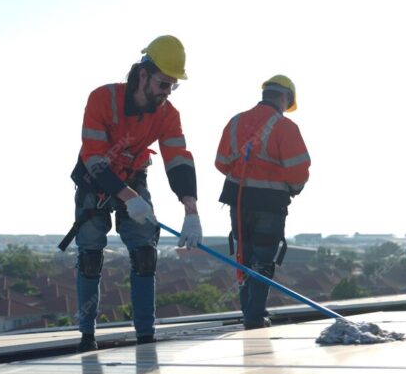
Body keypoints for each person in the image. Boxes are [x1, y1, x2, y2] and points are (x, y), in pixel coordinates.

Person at [64, 35, 203, 352]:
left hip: (134, 176)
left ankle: (145, 335)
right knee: (89, 255)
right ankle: (87, 337)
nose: (167, 93)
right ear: (143, 74)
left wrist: (191, 210)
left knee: (144, 253)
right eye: (164, 84)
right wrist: (128, 198)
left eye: (173, 87)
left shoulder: (167, 114)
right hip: (94, 179)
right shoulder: (103, 99)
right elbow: (95, 158)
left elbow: (178, 159)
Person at [215, 75, 311, 329]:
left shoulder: (236, 122)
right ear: (285, 98)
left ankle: (249, 312)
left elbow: (221, 163)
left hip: (238, 201)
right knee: (263, 261)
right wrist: (292, 187)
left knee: (243, 257)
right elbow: (298, 172)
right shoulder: (285, 128)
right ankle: (255, 317)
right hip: (269, 204)